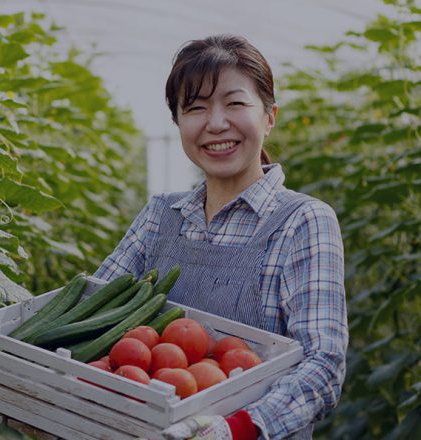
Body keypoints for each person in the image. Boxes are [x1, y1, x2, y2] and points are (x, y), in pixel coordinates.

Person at [94, 34, 348, 440]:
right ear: (179, 123)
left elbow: (323, 365)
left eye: (235, 103)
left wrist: (236, 429)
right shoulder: (161, 214)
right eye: (195, 108)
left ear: (269, 116)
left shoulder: (302, 221)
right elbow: (96, 304)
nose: (215, 123)